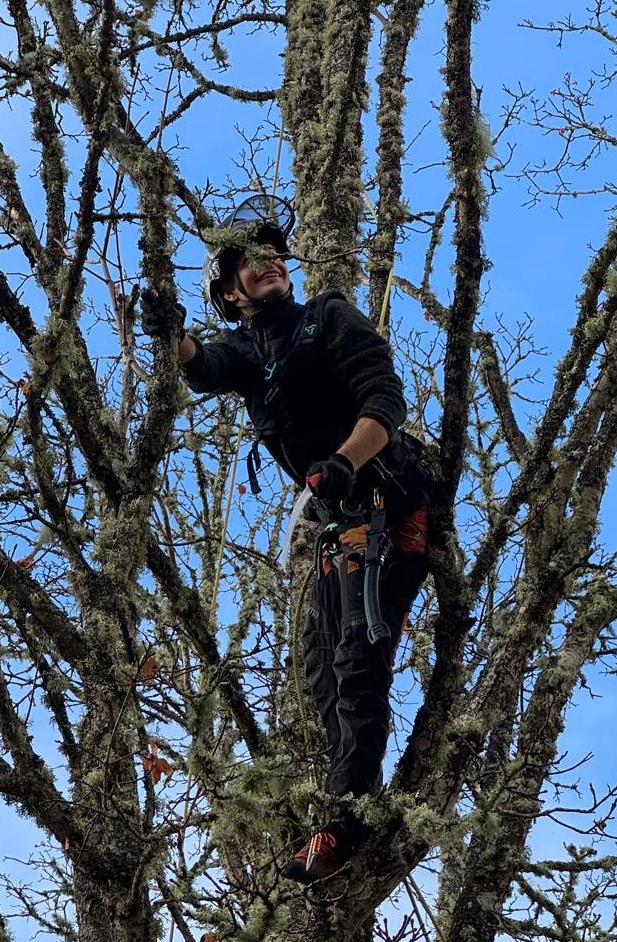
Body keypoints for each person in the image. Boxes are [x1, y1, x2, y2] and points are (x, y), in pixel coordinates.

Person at [142, 197, 430, 882]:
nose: (268, 265)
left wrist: (345, 461)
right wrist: (170, 332)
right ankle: (338, 802)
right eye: (249, 260)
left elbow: (383, 399)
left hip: (385, 495)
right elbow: (205, 369)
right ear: (229, 287)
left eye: (274, 256)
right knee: (316, 672)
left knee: (357, 662)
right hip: (341, 524)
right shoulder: (247, 348)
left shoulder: (325, 316)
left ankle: (345, 825)